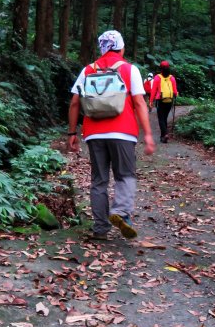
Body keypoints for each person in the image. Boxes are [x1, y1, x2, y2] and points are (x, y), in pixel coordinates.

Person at [68, 30, 155, 240]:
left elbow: (74, 102)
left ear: (102, 48)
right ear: (121, 48)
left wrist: (72, 132)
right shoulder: (129, 69)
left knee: (99, 181)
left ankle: (100, 229)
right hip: (123, 132)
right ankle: (121, 212)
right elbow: (139, 102)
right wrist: (148, 134)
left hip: (94, 133)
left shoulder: (88, 70)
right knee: (125, 175)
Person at [150, 60, 178, 144]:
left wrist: (151, 101)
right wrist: (175, 96)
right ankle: (163, 137)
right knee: (165, 118)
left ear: (160, 69)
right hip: (169, 100)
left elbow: (154, 90)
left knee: (161, 119)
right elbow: (175, 91)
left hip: (160, 100)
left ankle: (165, 134)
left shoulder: (157, 77)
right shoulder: (172, 78)